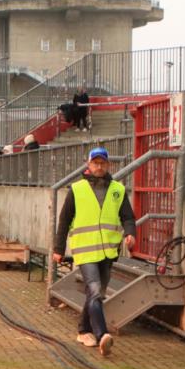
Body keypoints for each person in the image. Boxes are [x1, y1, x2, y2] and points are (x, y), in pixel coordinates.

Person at [53, 147, 137, 356]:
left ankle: (83, 331)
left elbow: (127, 216)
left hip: (108, 251)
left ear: (108, 165)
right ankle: (102, 335)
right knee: (95, 288)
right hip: (85, 250)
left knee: (95, 294)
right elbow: (64, 220)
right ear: (88, 165)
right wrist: (58, 248)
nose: (99, 166)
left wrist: (130, 233)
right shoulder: (77, 189)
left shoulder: (117, 189)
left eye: (102, 163)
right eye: (95, 163)